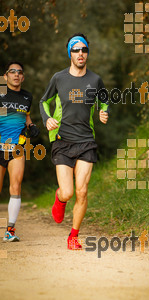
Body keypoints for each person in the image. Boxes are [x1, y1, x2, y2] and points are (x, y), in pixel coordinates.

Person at [40, 33, 109, 250]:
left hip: (86, 141)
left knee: (82, 191)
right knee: (68, 192)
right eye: (76, 50)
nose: (80, 53)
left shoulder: (95, 80)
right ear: (69, 53)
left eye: (84, 49)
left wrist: (103, 112)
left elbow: (105, 101)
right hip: (63, 141)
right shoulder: (59, 78)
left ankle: (73, 235)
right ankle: (59, 199)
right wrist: (47, 118)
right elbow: (44, 101)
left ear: (87, 53)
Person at [0, 61, 39, 242]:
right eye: (12, 71)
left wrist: (31, 125)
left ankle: (10, 231)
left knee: (16, 186)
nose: (16, 74)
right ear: (6, 75)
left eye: (19, 72)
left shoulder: (27, 96)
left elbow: (26, 116)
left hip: (17, 147)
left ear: (23, 77)